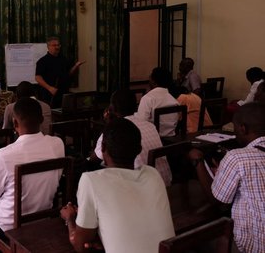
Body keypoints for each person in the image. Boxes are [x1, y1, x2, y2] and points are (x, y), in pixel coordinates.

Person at [61, 118, 175, 253]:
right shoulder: (153, 175)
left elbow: (81, 245)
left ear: (102, 148)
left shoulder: (91, 180)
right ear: (139, 149)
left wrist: (70, 219)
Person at [0, 97, 65, 249]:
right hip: (43, 218)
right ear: (42, 119)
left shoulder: (4, 155)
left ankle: (1, 248)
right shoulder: (57, 144)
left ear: (15, 123)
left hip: (10, 225)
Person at [188, 102, 265, 253]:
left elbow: (216, 200)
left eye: (236, 128)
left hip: (252, 246)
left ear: (243, 128)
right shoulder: (239, 158)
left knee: (192, 242)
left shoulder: (237, 158)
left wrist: (197, 161)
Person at [90, 89, 172, 186]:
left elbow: (94, 159)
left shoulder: (115, 129)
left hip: (141, 188)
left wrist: (108, 124)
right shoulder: (150, 125)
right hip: (164, 182)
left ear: (111, 108)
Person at [35, 36, 85, 108]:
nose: (57, 47)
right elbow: (38, 77)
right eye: (54, 45)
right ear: (48, 47)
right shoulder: (42, 61)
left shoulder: (63, 59)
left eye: (58, 45)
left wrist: (75, 66)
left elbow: (68, 74)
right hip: (50, 94)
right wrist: (50, 88)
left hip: (64, 93)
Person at [135, 67, 179, 137]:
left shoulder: (148, 98)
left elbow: (141, 123)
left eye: (150, 77)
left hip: (154, 138)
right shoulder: (173, 100)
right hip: (171, 138)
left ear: (153, 81)